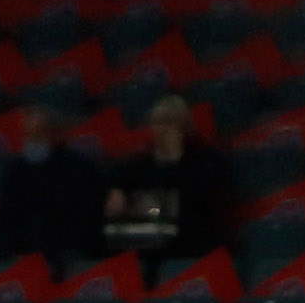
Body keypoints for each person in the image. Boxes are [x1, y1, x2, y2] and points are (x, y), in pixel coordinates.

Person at [98, 91, 236, 271]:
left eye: (169, 121)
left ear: (184, 125)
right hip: (148, 236)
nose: (162, 128)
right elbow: (117, 179)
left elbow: (196, 201)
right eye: (157, 122)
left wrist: (173, 161)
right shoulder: (140, 162)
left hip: (193, 238)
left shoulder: (207, 160)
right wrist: (116, 190)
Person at [0, 100, 108, 268]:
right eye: (28, 135)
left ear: (57, 134)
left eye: (38, 134)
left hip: (68, 251)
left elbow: (87, 220)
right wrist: (13, 251)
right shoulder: (15, 168)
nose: (31, 140)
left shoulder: (82, 168)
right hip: (23, 251)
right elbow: (6, 217)